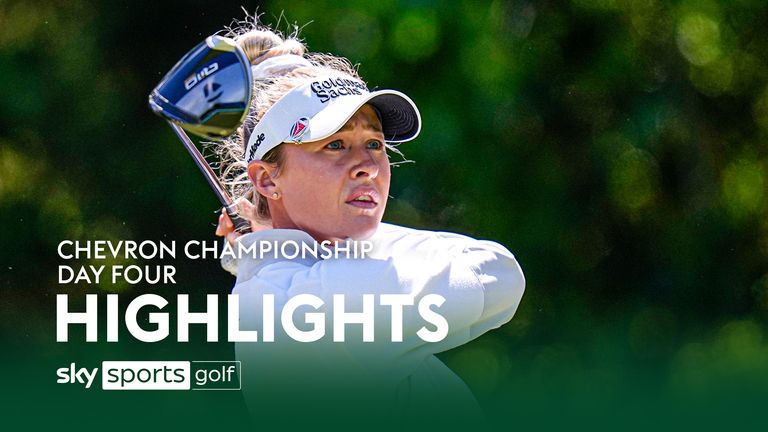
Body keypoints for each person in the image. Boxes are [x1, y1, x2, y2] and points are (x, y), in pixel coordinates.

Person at [213, 18, 525, 427]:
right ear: (267, 180)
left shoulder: (277, 286)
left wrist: (268, 242)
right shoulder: (316, 305)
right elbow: (499, 273)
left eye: (374, 143)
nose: (367, 167)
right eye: (336, 144)